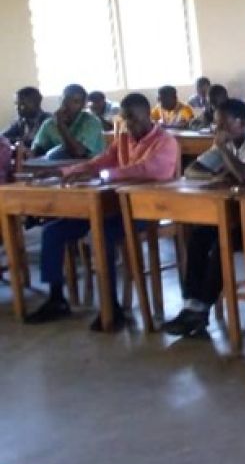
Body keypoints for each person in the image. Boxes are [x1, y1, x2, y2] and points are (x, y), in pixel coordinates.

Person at [23, 93, 179, 331]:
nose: (130, 125)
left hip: (147, 211)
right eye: (126, 120)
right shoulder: (125, 139)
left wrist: (105, 175)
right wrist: (63, 173)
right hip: (115, 208)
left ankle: (111, 307)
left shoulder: (165, 141)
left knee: (102, 235)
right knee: (53, 232)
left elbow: (149, 169)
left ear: (148, 115)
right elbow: (100, 161)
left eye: (135, 119)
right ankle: (56, 299)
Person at [161, 100, 245, 337]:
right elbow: (192, 170)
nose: (217, 129)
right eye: (216, 123)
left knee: (223, 242)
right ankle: (191, 305)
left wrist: (224, 154)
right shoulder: (229, 143)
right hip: (236, 215)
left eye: (223, 123)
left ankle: (202, 310)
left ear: (241, 123)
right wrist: (219, 174)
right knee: (199, 235)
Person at [31, 83, 105, 160]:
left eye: (76, 102)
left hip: (88, 168)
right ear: (60, 100)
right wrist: (27, 152)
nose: (69, 105)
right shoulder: (49, 123)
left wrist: (61, 125)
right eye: (65, 100)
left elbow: (78, 152)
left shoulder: (91, 122)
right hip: (57, 168)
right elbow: (37, 149)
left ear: (83, 105)